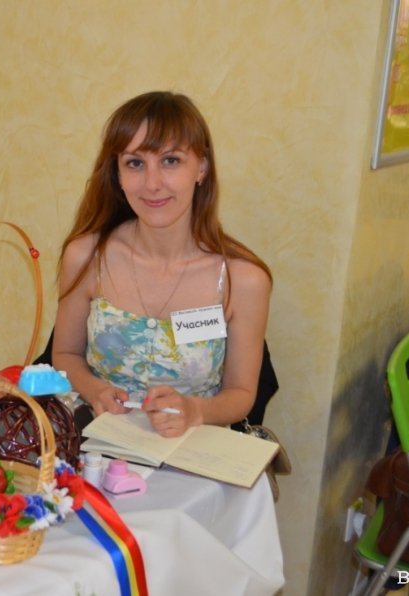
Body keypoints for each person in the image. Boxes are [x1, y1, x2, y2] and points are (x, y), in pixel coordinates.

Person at [52, 91, 273, 439]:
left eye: (170, 161)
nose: (152, 184)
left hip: (191, 451)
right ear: (117, 173)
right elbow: (64, 354)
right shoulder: (86, 256)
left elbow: (242, 393)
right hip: (97, 445)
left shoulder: (242, 280)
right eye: (135, 163)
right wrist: (94, 390)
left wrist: (195, 411)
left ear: (201, 168)